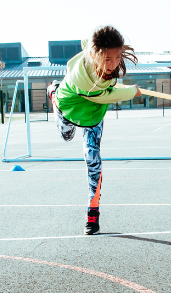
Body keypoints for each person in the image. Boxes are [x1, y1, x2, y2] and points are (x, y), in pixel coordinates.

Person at [47, 25, 142, 235]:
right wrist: (131, 92)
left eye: (117, 57)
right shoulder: (84, 78)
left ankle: (93, 211)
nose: (113, 64)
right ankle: (53, 92)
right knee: (67, 135)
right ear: (94, 55)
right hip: (71, 105)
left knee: (92, 159)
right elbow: (107, 96)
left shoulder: (101, 53)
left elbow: (88, 41)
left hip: (94, 114)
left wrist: (123, 85)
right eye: (107, 59)